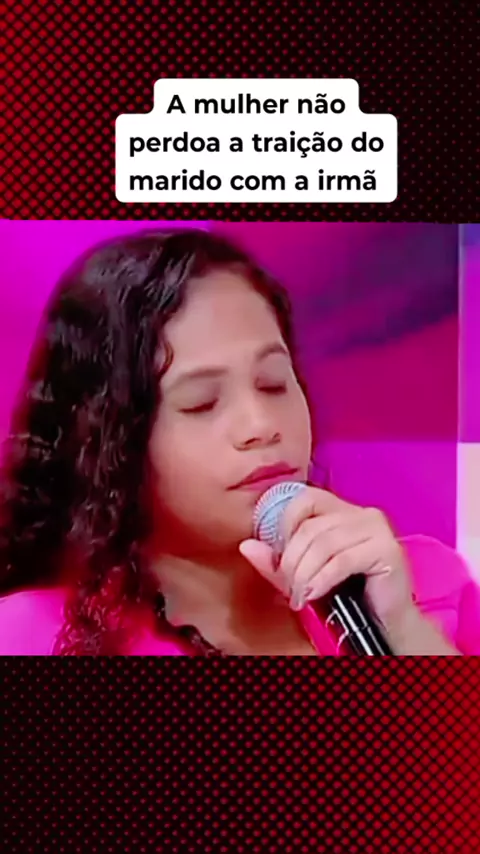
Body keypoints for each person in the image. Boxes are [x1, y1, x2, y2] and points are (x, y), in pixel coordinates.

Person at [0, 227, 478, 656]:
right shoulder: (33, 635)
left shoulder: (423, 584)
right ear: (112, 439)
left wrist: (404, 632)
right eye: (202, 403)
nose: (261, 425)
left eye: (274, 383)